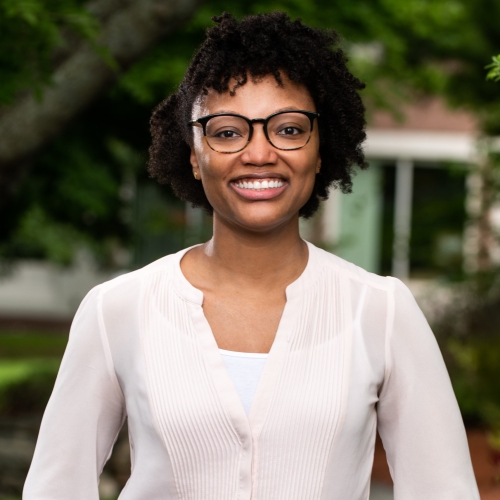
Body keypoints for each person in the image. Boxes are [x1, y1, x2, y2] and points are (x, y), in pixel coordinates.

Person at [24, 11, 479, 500]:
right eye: (226, 132)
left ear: (320, 150)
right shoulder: (118, 309)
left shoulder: (382, 311)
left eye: (287, 129)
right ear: (195, 156)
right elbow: (55, 489)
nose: (259, 154)